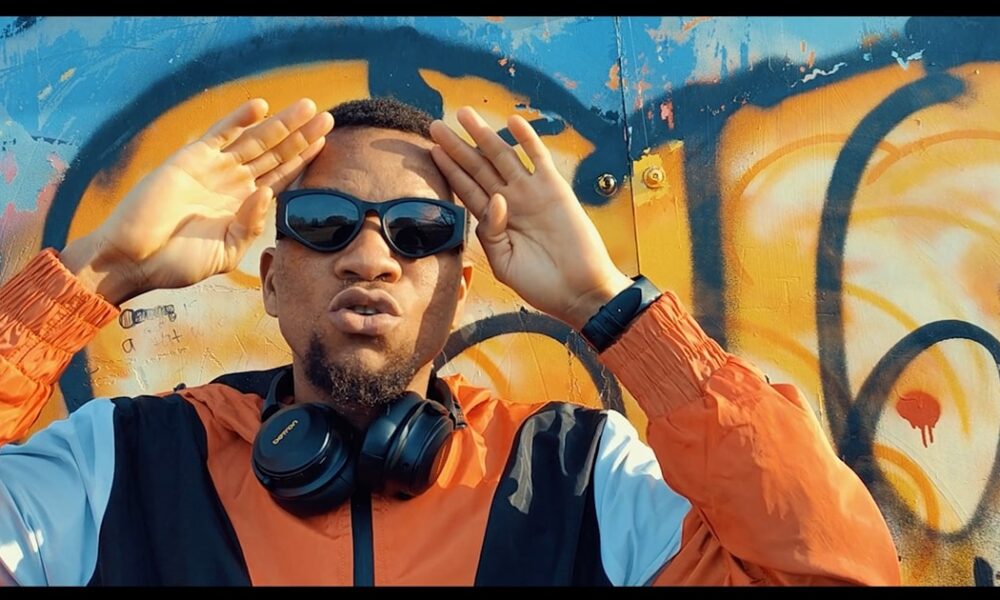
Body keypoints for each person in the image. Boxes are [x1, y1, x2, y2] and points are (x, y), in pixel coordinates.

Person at [0, 95, 900, 586]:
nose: (370, 258)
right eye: (324, 222)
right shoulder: (119, 467)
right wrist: (95, 275)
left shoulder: (581, 479)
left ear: (460, 290)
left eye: (419, 231)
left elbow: (835, 577)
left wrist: (611, 308)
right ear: (270, 280)